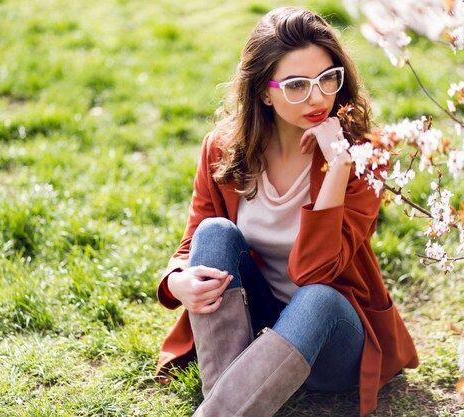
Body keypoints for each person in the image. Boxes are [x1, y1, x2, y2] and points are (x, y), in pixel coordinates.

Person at [155, 6, 419, 417]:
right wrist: (176, 282)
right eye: (296, 85)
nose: (318, 97)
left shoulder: (365, 155)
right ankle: (233, 398)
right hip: (256, 325)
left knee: (316, 298)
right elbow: (194, 241)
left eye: (328, 78)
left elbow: (316, 272)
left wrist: (338, 168)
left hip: (331, 340)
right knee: (214, 231)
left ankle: (220, 409)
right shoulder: (222, 148)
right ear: (263, 91)